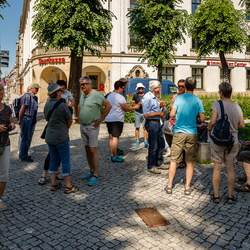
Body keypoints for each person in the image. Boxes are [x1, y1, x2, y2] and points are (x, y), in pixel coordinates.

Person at [166, 77, 205, 195]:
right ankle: (187, 187)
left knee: (174, 160)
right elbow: (202, 118)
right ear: (195, 86)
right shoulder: (198, 100)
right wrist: (196, 117)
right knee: (190, 161)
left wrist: (175, 113)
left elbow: (172, 114)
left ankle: (169, 186)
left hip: (179, 132)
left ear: (186, 86)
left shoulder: (179, 98)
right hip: (192, 133)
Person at [207, 82, 245, 204]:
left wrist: (208, 128)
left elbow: (213, 121)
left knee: (217, 167)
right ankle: (229, 196)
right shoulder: (237, 107)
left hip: (218, 140)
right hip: (232, 140)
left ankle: (217, 196)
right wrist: (233, 125)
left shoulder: (217, 104)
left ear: (221, 92)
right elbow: (243, 125)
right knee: (230, 168)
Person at [44, 83, 78, 193]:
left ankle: (54, 183)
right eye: (60, 91)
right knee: (65, 160)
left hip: (50, 135)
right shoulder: (62, 105)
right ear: (57, 93)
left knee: (53, 159)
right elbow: (70, 120)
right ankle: (68, 185)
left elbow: (46, 118)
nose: (61, 92)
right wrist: (65, 128)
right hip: (61, 136)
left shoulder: (47, 104)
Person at [78, 76, 111, 185]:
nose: (82, 86)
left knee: (93, 150)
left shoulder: (96, 95)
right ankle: (91, 170)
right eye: (81, 84)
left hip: (92, 126)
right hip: (83, 126)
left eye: (84, 84)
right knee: (87, 149)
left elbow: (108, 106)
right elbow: (79, 105)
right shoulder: (83, 94)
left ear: (90, 84)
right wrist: (79, 116)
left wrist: (101, 119)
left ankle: (96, 174)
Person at [105, 80, 140, 162]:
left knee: (110, 137)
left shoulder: (110, 95)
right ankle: (114, 156)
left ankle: (111, 153)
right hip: (117, 119)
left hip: (109, 118)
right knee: (115, 138)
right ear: (119, 87)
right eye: (123, 88)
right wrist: (135, 107)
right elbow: (126, 109)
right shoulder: (120, 97)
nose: (123, 90)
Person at [142, 80, 168, 174]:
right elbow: (146, 114)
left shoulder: (155, 97)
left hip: (158, 122)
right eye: (158, 87)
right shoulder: (147, 98)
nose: (159, 89)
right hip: (152, 123)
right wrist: (158, 113)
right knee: (153, 145)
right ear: (154, 89)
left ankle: (159, 162)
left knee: (160, 143)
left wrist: (160, 106)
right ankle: (151, 165)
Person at [0, 84, 16, 210]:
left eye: (1, 90)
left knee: (4, 175)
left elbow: (11, 120)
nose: (0, 93)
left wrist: (12, 124)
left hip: (5, 144)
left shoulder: (7, 109)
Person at [18, 83, 41, 162]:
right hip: (26, 118)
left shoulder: (35, 97)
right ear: (31, 88)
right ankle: (23, 156)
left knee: (28, 138)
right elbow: (22, 108)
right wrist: (19, 119)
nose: (37, 90)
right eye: (36, 88)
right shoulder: (27, 95)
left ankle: (25, 154)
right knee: (25, 138)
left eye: (38, 89)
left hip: (32, 118)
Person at [170, 79, 186, 167]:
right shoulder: (175, 96)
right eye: (178, 86)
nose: (180, 88)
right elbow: (171, 112)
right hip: (176, 122)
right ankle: (177, 160)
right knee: (177, 143)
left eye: (182, 86)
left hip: (185, 122)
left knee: (183, 143)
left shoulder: (187, 97)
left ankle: (183, 160)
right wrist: (171, 107)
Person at [132, 82, 148, 147]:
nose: (140, 89)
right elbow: (132, 104)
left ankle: (145, 140)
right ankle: (137, 140)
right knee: (137, 127)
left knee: (145, 127)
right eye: (139, 88)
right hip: (137, 112)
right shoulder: (135, 95)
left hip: (144, 112)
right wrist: (138, 105)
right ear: (137, 89)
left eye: (141, 88)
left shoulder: (146, 95)